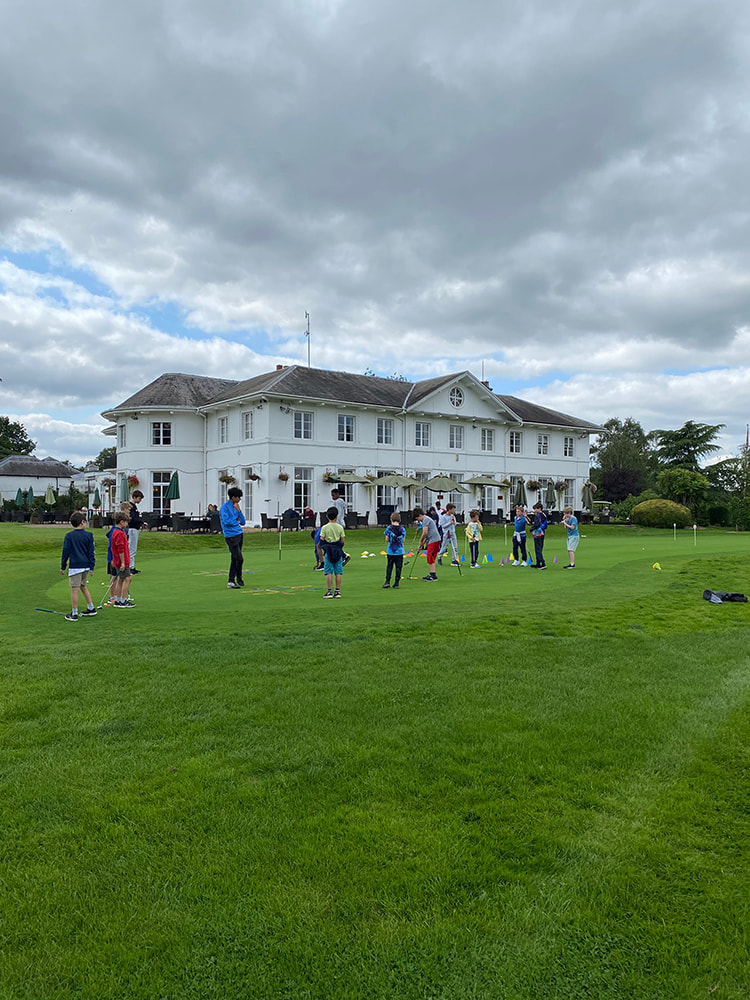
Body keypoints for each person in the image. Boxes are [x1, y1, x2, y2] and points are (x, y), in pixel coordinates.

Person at [60, 511, 97, 620]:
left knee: (75, 589)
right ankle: (91, 608)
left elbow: (65, 552)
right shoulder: (89, 535)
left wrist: (63, 566)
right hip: (85, 566)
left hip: (75, 566)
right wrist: (92, 566)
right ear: (82, 522)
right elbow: (91, 552)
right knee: (82, 586)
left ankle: (74, 613)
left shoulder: (69, 536)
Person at [220, 487, 246, 588]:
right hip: (231, 536)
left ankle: (232, 580)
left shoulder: (236, 507)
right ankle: (237, 577)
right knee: (239, 558)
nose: (240, 499)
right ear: (233, 497)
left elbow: (243, 522)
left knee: (234, 558)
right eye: (238, 497)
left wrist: (239, 511)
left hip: (239, 534)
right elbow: (227, 522)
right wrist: (236, 521)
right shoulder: (224, 508)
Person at [320, 505, 345, 598]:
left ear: (327, 516)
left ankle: (329, 591)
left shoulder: (325, 527)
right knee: (338, 572)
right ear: (337, 516)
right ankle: (337, 591)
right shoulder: (340, 527)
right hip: (337, 551)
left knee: (329, 571)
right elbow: (342, 540)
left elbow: (321, 540)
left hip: (328, 551)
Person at [110, 512, 135, 608]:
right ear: (121, 522)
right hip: (122, 561)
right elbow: (120, 549)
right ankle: (123, 600)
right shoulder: (120, 533)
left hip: (117, 560)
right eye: (126, 522)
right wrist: (123, 562)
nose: (127, 524)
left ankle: (118, 599)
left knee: (120, 579)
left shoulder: (115, 532)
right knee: (128, 579)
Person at [414, 505, 441, 581]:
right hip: (433, 539)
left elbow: (425, 532)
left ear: (419, 515)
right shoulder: (427, 519)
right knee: (431, 556)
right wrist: (422, 544)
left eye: (417, 518)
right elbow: (428, 534)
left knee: (430, 556)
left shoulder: (425, 520)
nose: (418, 520)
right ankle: (432, 573)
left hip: (434, 540)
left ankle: (433, 575)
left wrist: (420, 541)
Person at [383, 512, 405, 588]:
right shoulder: (402, 529)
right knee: (398, 567)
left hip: (391, 551)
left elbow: (387, 539)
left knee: (389, 566)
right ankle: (396, 583)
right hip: (400, 551)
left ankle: (387, 581)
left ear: (391, 519)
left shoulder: (389, 528)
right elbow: (403, 540)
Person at [330, 489, 351, 566]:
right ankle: (340, 556)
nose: (332, 497)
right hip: (341, 523)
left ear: (337, 494)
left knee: (335, 542)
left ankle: (343, 555)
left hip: (338, 523)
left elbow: (337, 513)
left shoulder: (338, 502)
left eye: (333, 495)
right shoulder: (342, 501)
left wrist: (334, 523)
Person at [128, 490, 145, 574]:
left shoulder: (133, 507)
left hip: (134, 528)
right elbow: (133, 519)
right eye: (139, 498)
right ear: (134, 497)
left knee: (132, 548)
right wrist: (140, 523)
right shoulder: (131, 507)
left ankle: (131, 566)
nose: (140, 500)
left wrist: (141, 522)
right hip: (132, 529)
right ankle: (130, 567)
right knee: (132, 548)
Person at [530, 502, 548, 569]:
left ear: (539, 508)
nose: (534, 510)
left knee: (538, 548)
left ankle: (543, 563)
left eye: (535, 509)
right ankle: (538, 563)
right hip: (542, 532)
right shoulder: (544, 515)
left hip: (538, 533)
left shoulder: (538, 515)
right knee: (539, 547)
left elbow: (537, 525)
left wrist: (532, 528)